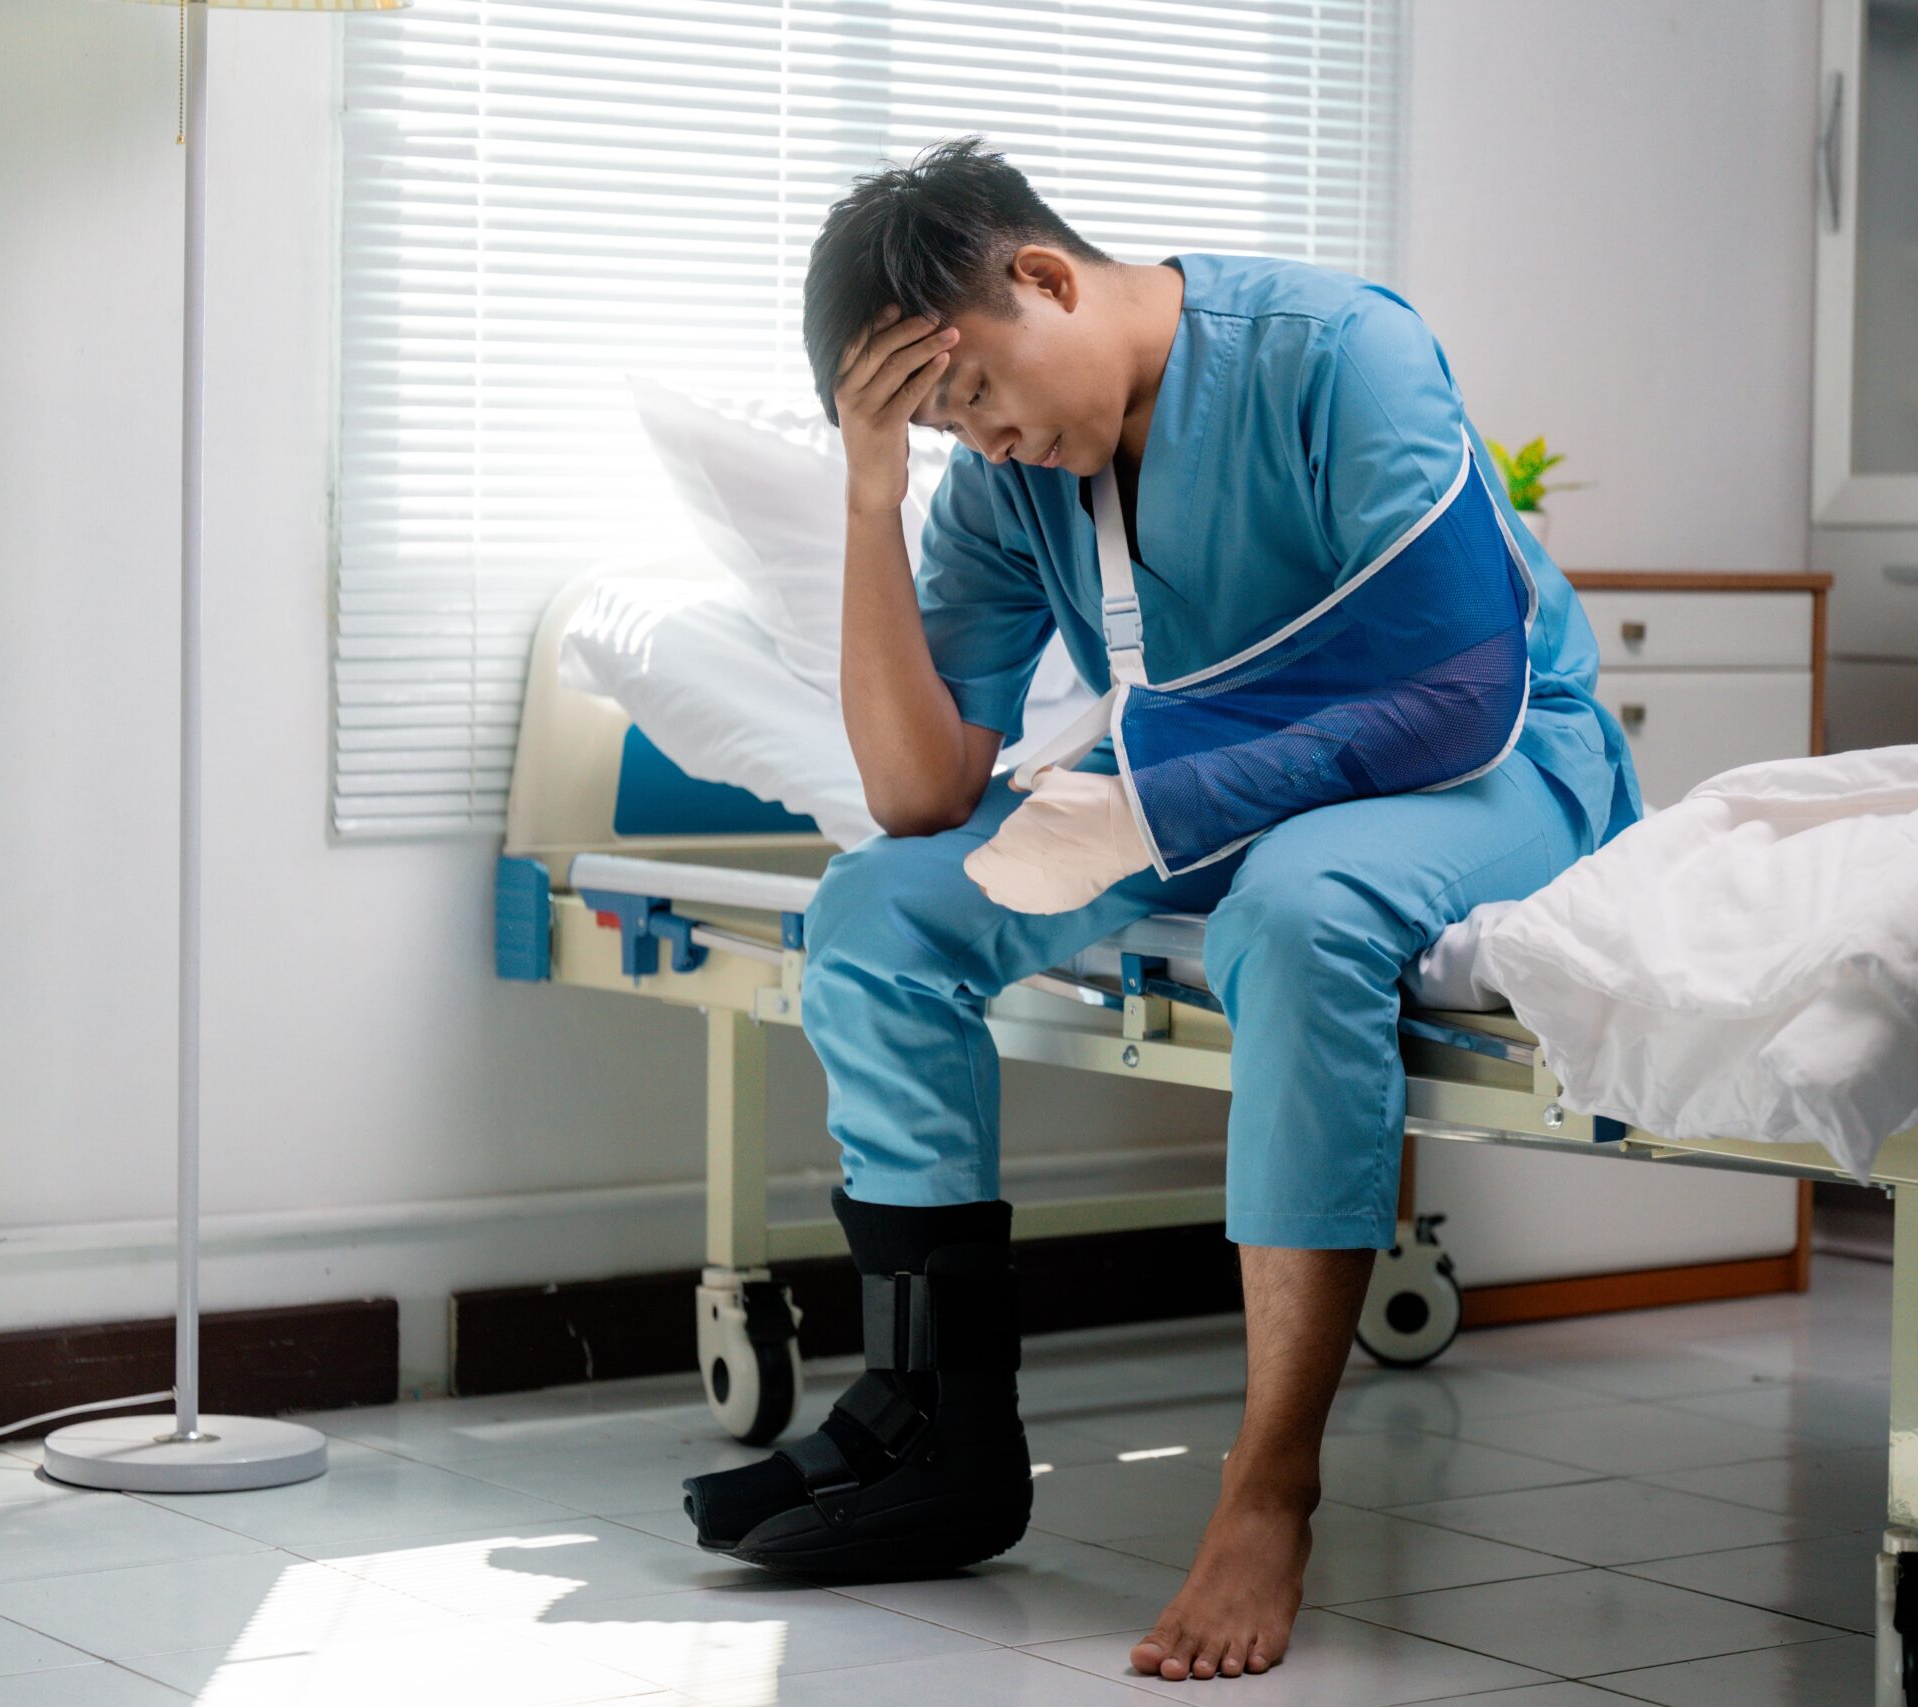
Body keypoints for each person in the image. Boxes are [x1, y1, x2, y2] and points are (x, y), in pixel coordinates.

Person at [681, 137, 1640, 1683]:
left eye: (973, 396)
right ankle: (941, 1426)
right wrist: (873, 497)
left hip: (1490, 756)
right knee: (876, 910)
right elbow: (921, 794)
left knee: (1299, 919)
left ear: (1045, 280)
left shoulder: (1343, 356)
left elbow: (1460, 685)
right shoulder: (1010, 491)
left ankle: (1270, 1491)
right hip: (1209, 773)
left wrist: (1148, 808)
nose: (978, 444)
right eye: (939, 431)